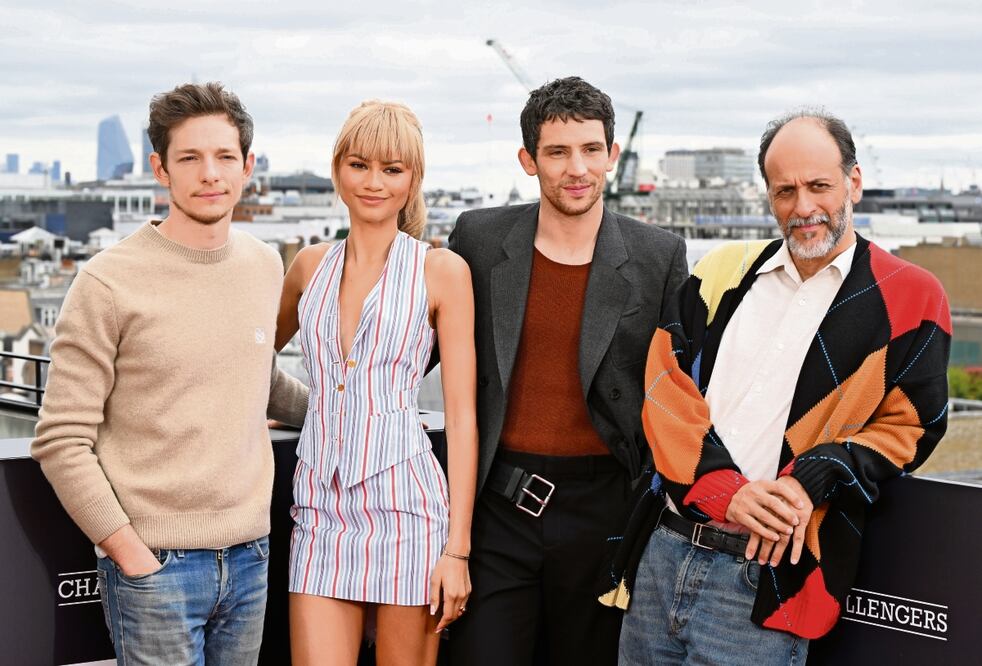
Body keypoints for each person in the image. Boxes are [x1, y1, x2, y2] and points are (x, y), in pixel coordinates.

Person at [611, 110, 951, 665]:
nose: (803, 207)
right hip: (663, 553)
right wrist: (726, 489)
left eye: (819, 185)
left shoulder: (911, 296)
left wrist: (815, 476)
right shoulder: (722, 270)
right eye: (785, 190)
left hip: (767, 577)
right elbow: (662, 387)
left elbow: (914, 425)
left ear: (854, 182)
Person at [31, 82, 309, 665]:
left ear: (248, 166)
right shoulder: (109, 281)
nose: (210, 173)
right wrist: (128, 552)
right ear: (160, 168)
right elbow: (60, 439)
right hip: (156, 565)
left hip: (250, 554)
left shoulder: (263, 264)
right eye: (190, 158)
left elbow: (259, 376)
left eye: (224, 156)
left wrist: (361, 409)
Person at [446, 76, 688, 666]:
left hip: (604, 511)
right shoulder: (477, 239)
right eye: (557, 152)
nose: (576, 168)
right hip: (498, 505)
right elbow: (411, 352)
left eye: (590, 150)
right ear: (529, 159)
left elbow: (685, 391)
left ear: (612, 154)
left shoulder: (659, 256)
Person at [275, 100, 478, 666]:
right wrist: (295, 409)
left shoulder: (441, 271)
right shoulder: (307, 267)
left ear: (413, 180)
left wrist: (457, 551)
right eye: (359, 165)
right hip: (319, 511)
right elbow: (247, 362)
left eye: (393, 169)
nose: (374, 182)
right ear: (338, 169)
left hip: (408, 513)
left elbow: (461, 419)